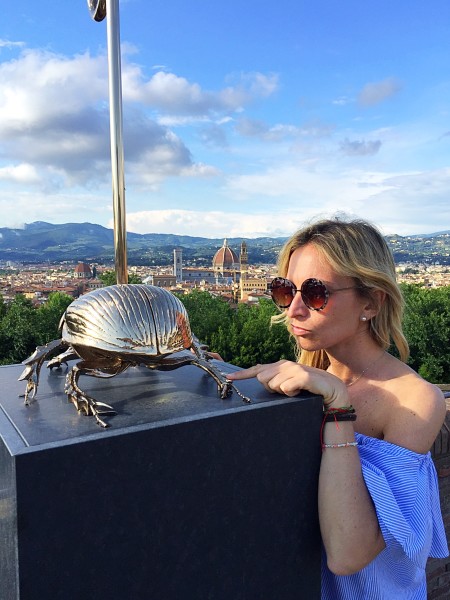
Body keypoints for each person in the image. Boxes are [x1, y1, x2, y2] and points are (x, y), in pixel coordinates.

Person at [227, 216, 448, 599]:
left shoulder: (414, 400)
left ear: (371, 301)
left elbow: (350, 555)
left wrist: (339, 407)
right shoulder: (314, 377)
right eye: (285, 290)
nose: (294, 309)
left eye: (315, 293)